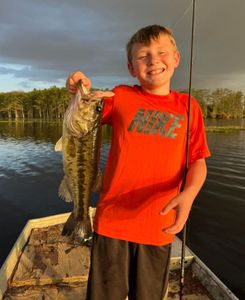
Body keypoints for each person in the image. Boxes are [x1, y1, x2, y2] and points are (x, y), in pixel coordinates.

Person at [66, 24, 210, 300]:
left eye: (162, 52)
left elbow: (198, 162)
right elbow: (85, 112)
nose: (154, 60)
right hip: (113, 222)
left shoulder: (189, 107)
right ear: (132, 67)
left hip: (158, 226)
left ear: (176, 59)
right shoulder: (121, 96)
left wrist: (189, 196)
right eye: (143, 55)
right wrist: (77, 87)